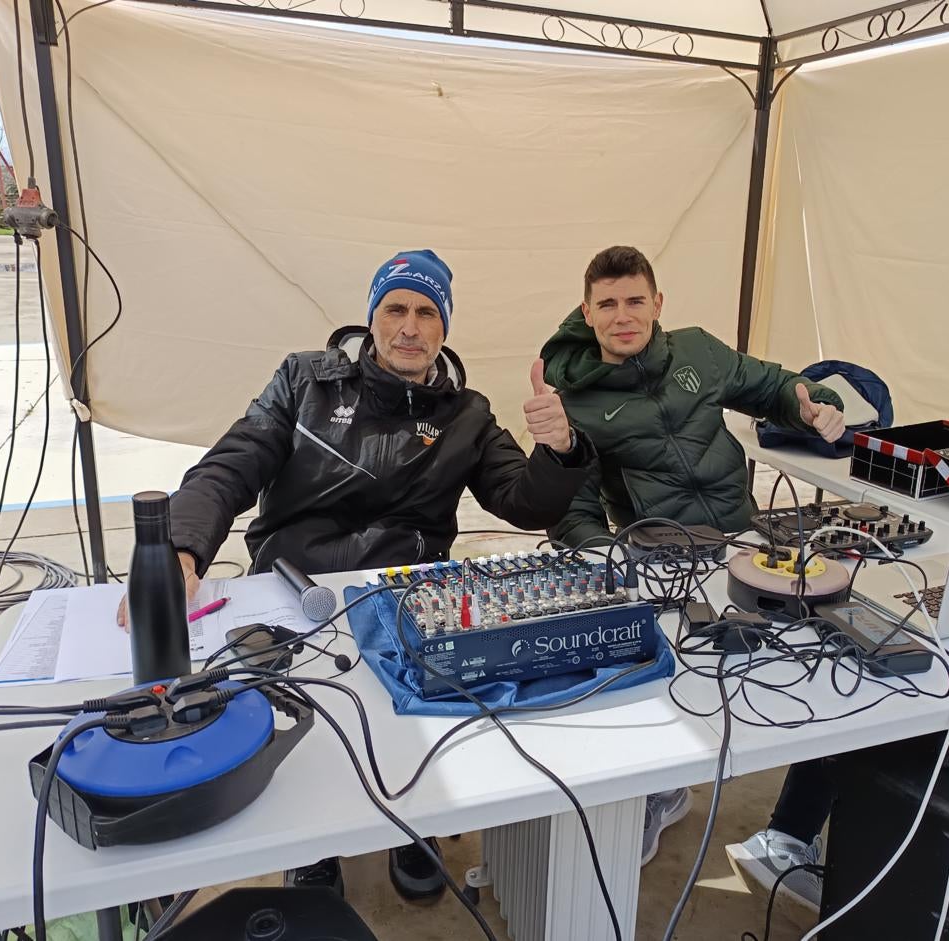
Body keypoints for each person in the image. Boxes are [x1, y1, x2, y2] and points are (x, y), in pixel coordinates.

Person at [118, 249, 595, 904]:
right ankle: (315, 847)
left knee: (422, 721)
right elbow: (231, 464)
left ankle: (419, 823)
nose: (409, 325)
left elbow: (524, 502)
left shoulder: (468, 414)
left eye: (426, 312)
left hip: (407, 594)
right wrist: (181, 547)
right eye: (395, 308)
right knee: (305, 732)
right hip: (293, 587)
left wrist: (560, 451)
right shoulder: (301, 381)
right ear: (371, 318)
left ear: (443, 328)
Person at [539, 245, 844, 892]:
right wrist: (605, 563)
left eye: (634, 300)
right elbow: (574, 503)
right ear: (587, 313)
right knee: (657, 681)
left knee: (837, 667)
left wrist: (811, 401)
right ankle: (655, 791)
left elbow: (770, 384)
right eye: (607, 304)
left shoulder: (698, 351)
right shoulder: (572, 397)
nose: (623, 316)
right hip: (661, 556)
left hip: (746, 542)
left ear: (657, 303)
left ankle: (792, 829)